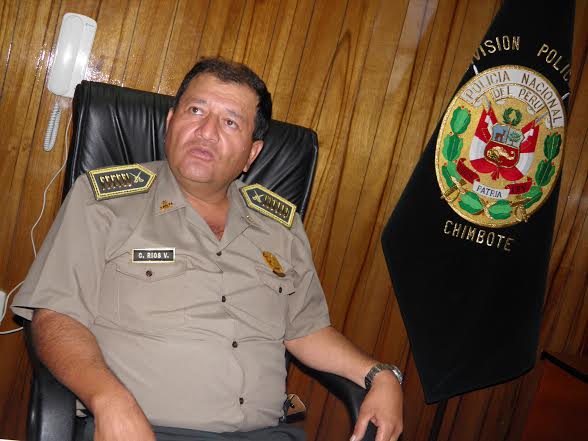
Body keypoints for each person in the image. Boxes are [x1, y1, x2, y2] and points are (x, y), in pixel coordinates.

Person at [12, 58, 403, 441]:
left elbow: (306, 331)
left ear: (252, 153)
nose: (206, 132)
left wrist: (380, 375)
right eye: (196, 111)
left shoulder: (281, 226)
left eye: (230, 122)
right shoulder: (104, 202)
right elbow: (55, 316)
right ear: (170, 122)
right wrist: (108, 400)